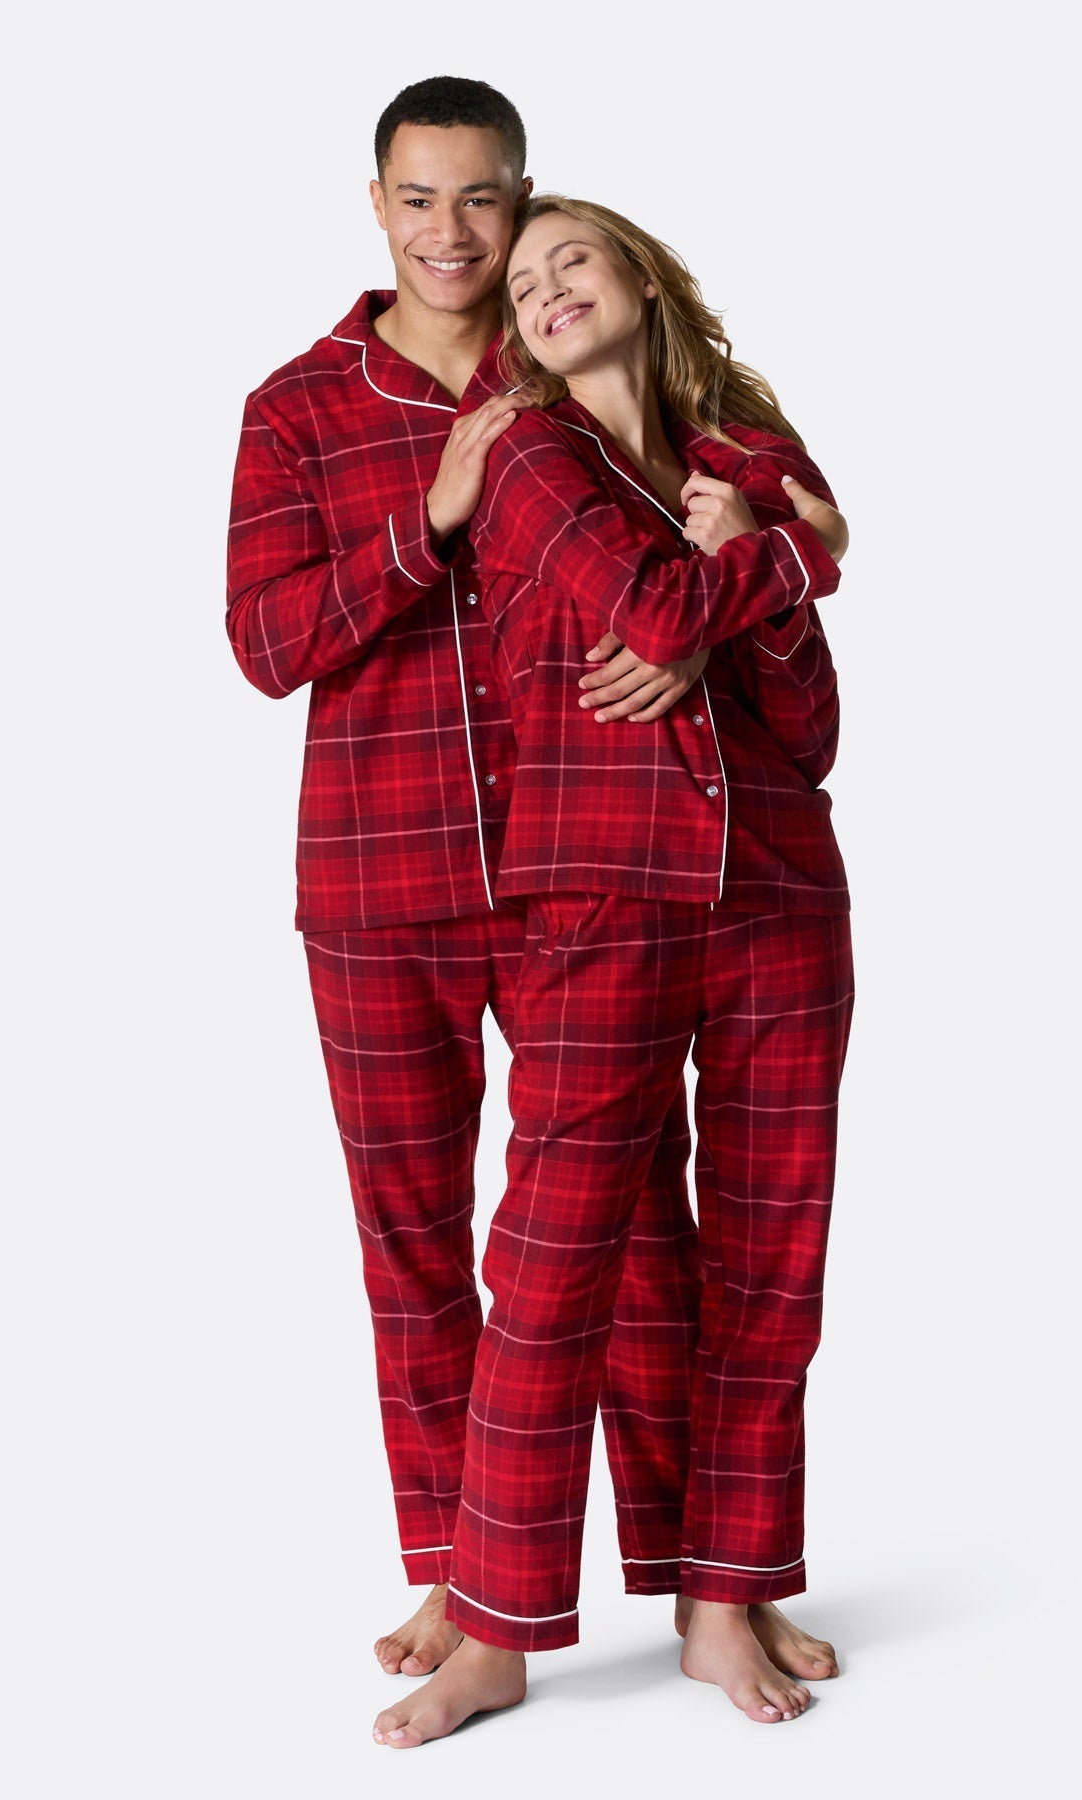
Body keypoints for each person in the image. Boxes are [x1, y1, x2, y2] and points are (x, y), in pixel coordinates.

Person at [227, 80, 839, 1685]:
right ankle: (465, 1582)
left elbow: (721, 573)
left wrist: (750, 573)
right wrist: (425, 519)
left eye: (485, 199)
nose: (454, 230)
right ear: (377, 206)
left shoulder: (564, 374)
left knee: (638, 1240)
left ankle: (698, 1575)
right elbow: (266, 643)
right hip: (388, 872)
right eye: (420, 198)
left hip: (599, 868)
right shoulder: (301, 408)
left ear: (523, 201)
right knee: (420, 1240)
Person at [372, 196, 855, 1745]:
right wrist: (791, 557)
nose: (546, 285)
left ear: (641, 275)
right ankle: (496, 1622)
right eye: (524, 281)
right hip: (598, 898)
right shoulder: (525, 455)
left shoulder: (738, 462)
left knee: (770, 1269)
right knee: (554, 1266)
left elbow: (809, 730)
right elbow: (649, 613)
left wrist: (750, 568)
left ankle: (728, 1596)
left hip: (779, 893)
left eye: (571, 256)